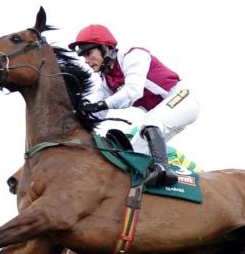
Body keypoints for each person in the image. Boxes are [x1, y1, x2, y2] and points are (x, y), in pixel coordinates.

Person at [69, 24, 201, 187]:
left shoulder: (133, 55)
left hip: (182, 99)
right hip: (163, 114)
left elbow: (133, 91)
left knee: (149, 123)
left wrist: (99, 105)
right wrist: (77, 113)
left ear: (106, 48)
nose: (87, 61)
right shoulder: (106, 82)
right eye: (83, 57)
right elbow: (96, 113)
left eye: (89, 53)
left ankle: (164, 169)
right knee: (132, 157)